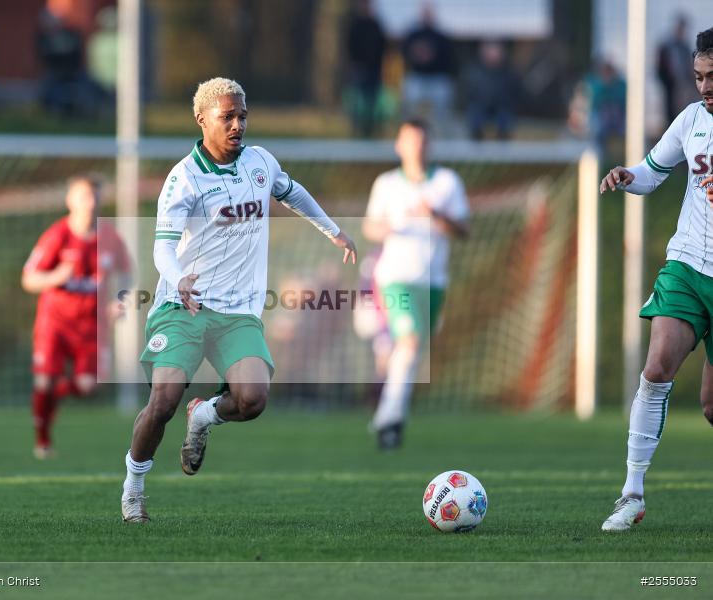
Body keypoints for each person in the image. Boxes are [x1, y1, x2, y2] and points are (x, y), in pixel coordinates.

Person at [120, 77, 357, 523]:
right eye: (227, 116)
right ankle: (134, 487)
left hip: (237, 313)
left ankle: (205, 415)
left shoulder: (259, 163)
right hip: (183, 308)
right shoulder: (183, 179)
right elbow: (161, 247)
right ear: (202, 119)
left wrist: (334, 230)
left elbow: (291, 191)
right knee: (163, 400)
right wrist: (178, 280)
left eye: (242, 115)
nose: (237, 125)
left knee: (253, 400)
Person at [598, 27, 713, 532]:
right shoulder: (691, 119)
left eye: (712, 77)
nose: (704, 87)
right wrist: (628, 176)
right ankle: (631, 494)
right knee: (656, 367)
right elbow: (653, 171)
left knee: (710, 407)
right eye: (698, 77)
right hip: (687, 265)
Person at [362, 118, 469, 450]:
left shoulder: (447, 183)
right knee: (408, 344)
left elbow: (463, 230)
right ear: (399, 145)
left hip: (432, 281)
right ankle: (391, 423)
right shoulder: (387, 184)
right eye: (410, 141)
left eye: (422, 141)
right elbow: (370, 228)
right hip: (395, 278)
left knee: (411, 352)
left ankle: (384, 417)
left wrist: (434, 215)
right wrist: (394, 224)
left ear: (429, 145)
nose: (416, 147)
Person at [22, 175, 132, 459]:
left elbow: (126, 274)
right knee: (43, 382)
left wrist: (119, 302)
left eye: (95, 196)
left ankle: (52, 394)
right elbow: (29, 279)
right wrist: (57, 276)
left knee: (87, 386)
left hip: (92, 325)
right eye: (84, 196)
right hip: (55, 323)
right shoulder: (56, 235)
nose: (91, 203)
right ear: (70, 200)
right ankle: (43, 441)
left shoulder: (110, 238)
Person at [399, 3, 456, 127]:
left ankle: (440, 134)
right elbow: (405, 54)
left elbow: (448, 59)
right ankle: (411, 130)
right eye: (424, 12)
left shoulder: (441, 37)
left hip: (437, 78)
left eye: (429, 12)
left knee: (444, 96)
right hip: (417, 77)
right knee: (409, 95)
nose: (427, 15)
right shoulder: (413, 35)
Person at [462, 41, 519, 140]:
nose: (493, 54)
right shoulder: (474, 71)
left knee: (505, 117)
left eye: (496, 51)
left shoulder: (508, 72)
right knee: (475, 114)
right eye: (491, 51)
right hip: (481, 106)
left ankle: (503, 146)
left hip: (501, 107)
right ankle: (476, 144)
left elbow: (513, 92)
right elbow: (469, 93)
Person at [345, 0, 386, 138]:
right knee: (357, 102)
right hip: (359, 69)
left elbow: (382, 47)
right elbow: (350, 46)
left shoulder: (376, 25)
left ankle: (370, 129)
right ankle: (356, 128)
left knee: (372, 102)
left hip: (374, 70)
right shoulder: (355, 24)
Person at [657, 15, 696, 124]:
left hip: (684, 86)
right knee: (671, 113)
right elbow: (660, 69)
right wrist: (668, 82)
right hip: (671, 86)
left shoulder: (685, 47)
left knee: (683, 111)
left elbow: (690, 65)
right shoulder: (665, 47)